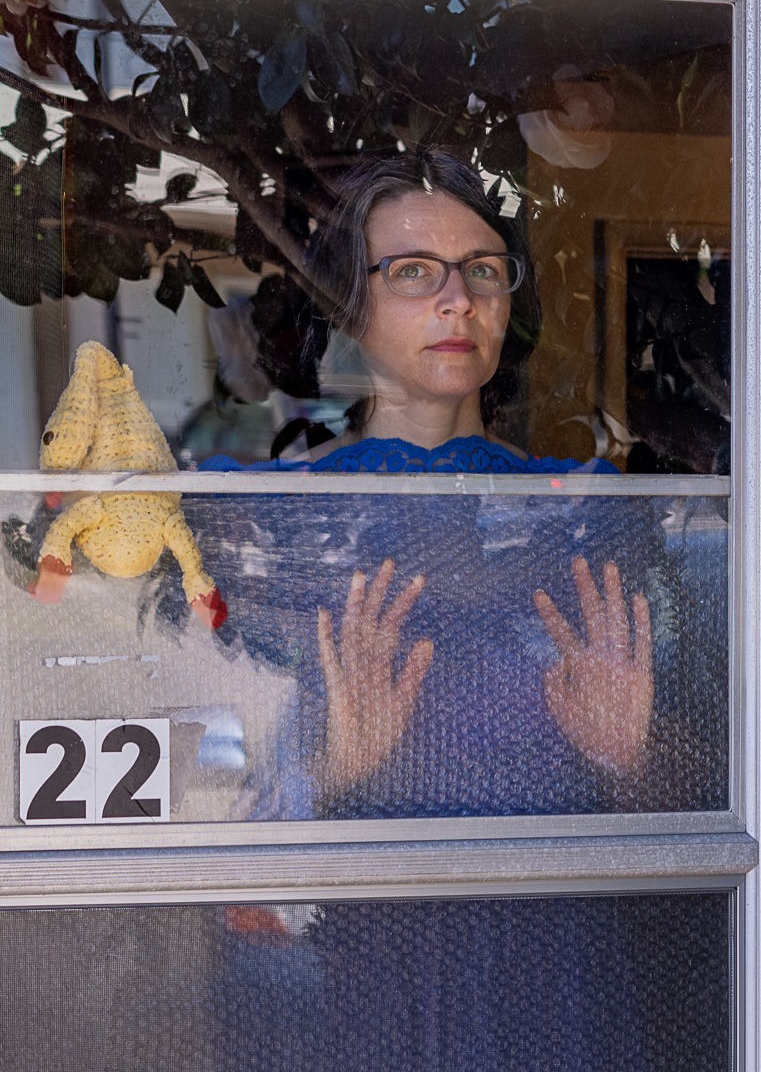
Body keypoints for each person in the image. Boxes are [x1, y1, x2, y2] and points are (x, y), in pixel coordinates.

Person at [198, 148, 656, 820]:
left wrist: (628, 762)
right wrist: (332, 773)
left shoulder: (589, 510)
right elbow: (219, 826)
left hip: (558, 907)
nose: (459, 301)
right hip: (362, 915)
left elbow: (707, 809)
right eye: (413, 272)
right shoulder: (270, 519)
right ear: (351, 309)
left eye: (483, 271)